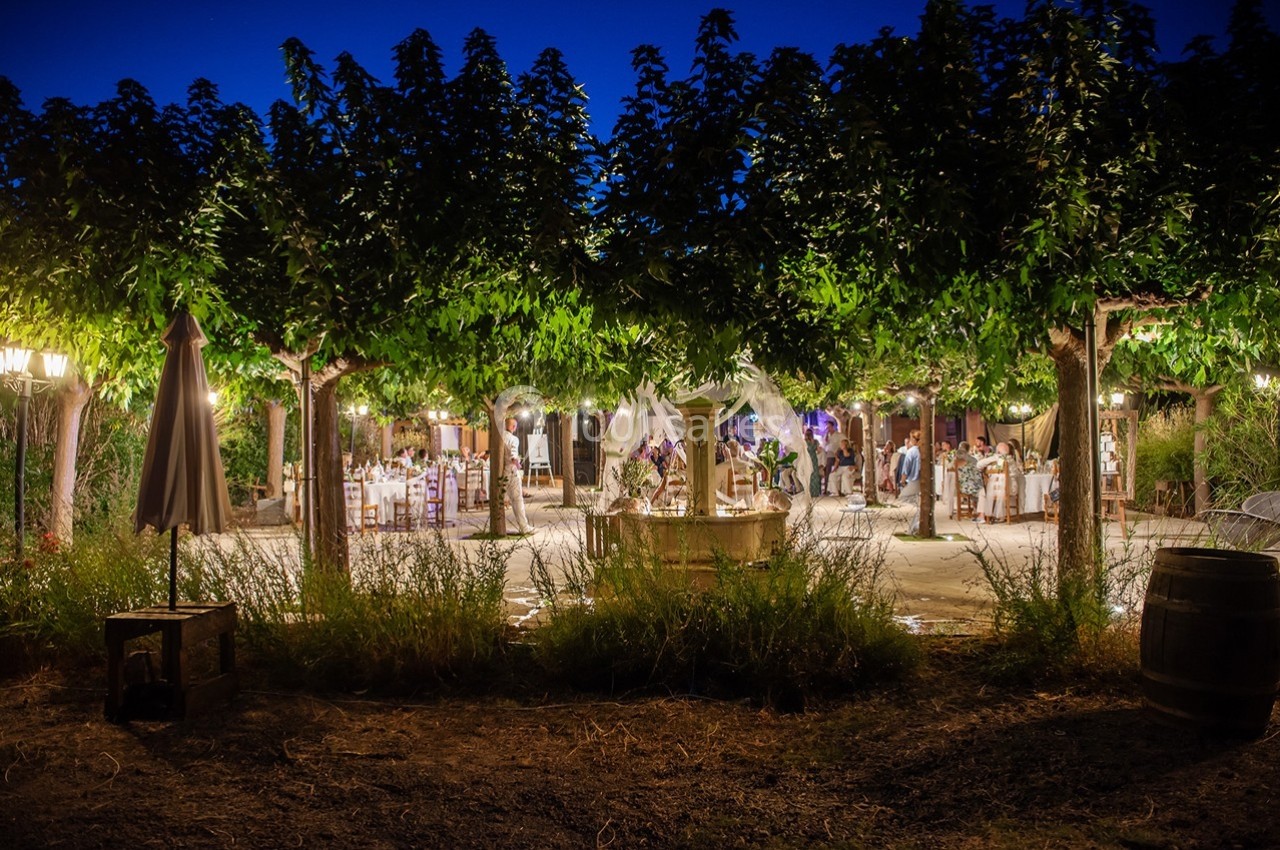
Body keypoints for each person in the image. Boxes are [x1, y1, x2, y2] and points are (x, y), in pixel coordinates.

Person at [502, 417, 533, 534]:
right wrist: (518, 465)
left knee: (499, 499)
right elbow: (513, 456)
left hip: (502, 472)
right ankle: (524, 527)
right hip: (511, 471)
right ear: (513, 427)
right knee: (517, 499)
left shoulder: (498, 436)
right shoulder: (513, 439)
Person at [899, 430, 923, 534]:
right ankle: (914, 527)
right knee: (918, 506)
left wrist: (902, 480)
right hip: (921, 481)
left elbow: (906, 468)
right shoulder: (923, 450)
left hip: (913, 480)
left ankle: (914, 527)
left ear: (913, 439)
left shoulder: (912, 451)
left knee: (906, 500)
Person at [822, 424, 842, 495]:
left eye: (829, 427)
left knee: (836, 471)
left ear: (833, 427)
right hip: (829, 454)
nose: (828, 429)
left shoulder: (838, 435)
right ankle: (827, 489)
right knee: (828, 472)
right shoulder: (826, 436)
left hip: (837, 454)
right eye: (827, 427)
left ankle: (838, 489)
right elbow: (824, 446)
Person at [805, 429, 822, 497]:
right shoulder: (815, 442)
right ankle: (814, 492)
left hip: (809, 458)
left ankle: (811, 492)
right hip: (812, 458)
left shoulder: (805, 442)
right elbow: (819, 451)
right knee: (813, 474)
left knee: (812, 475)